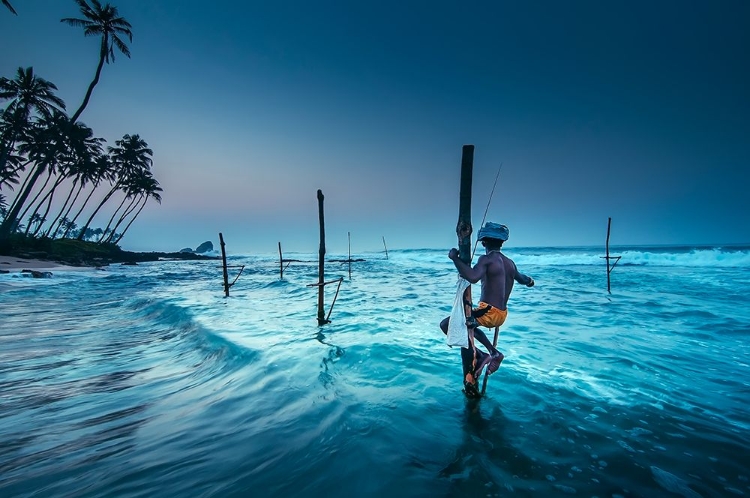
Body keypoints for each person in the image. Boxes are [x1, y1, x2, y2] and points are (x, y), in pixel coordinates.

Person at [440, 222, 534, 396]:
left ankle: (490, 353)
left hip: (489, 312)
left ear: (483, 242)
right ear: (502, 242)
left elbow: (473, 277)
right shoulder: (510, 263)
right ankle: (489, 352)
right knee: (470, 325)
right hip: (501, 314)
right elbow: (522, 279)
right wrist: (530, 281)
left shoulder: (486, 259)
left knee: (446, 324)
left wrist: (454, 257)